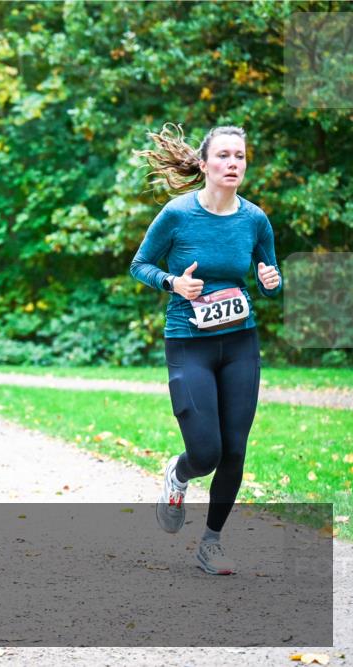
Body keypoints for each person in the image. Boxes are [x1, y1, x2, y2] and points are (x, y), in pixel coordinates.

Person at [130, 124, 282, 575]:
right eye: (223, 156)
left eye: (240, 156)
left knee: (235, 448)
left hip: (240, 341)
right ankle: (178, 476)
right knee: (207, 451)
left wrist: (272, 282)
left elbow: (268, 275)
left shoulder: (254, 219)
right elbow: (139, 265)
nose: (233, 163)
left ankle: (211, 543)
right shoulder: (177, 215)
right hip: (188, 342)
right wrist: (172, 282)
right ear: (204, 164)